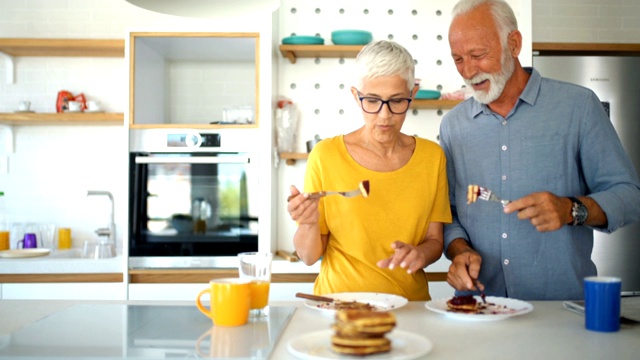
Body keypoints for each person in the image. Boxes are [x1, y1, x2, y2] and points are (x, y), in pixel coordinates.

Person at [439, 0, 640, 300]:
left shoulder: (579, 106)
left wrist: (571, 209)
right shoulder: (454, 126)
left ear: (514, 44)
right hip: (479, 310)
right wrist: (460, 251)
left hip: (561, 311)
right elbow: (450, 214)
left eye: (478, 55)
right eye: (458, 59)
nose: (468, 71)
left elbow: (629, 196)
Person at [287, 40, 452, 301]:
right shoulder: (326, 156)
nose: (384, 115)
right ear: (356, 96)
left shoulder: (432, 157)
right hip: (338, 307)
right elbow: (307, 257)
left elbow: (435, 240)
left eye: (397, 101)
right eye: (372, 101)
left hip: (410, 309)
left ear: (413, 93)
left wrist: (420, 254)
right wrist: (307, 223)